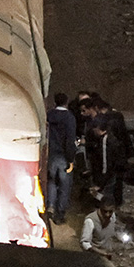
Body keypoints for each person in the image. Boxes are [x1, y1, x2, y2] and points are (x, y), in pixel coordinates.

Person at [46, 92, 78, 224]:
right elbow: (70, 139)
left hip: (51, 154)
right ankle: (60, 214)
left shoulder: (49, 115)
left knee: (52, 182)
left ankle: (50, 206)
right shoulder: (69, 118)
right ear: (66, 102)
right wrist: (71, 159)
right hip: (64, 156)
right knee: (65, 185)